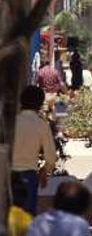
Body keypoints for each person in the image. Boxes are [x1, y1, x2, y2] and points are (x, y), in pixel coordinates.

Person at [11, 85, 57, 215]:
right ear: (40, 103)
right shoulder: (41, 124)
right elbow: (51, 158)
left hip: (6, 173)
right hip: (28, 177)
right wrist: (44, 171)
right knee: (26, 218)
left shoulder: (11, 122)